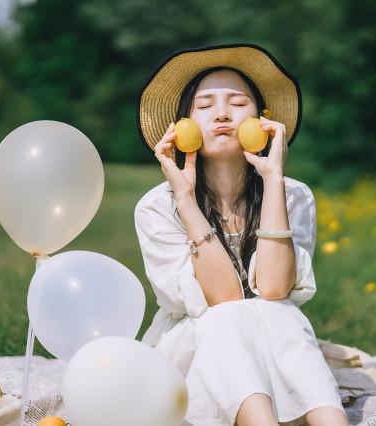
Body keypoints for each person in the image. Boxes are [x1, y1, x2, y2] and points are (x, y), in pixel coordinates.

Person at [134, 44, 350, 426]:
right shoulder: (158, 207)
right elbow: (223, 297)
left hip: (273, 345)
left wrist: (273, 180)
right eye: (204, 106)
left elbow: (273, 286)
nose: (222, 114)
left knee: (277, 308)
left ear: (263, 121)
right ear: (183, 126)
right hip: (197, 353)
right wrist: (186, 198)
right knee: (225, 317)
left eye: (238, 103)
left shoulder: (292, 194)